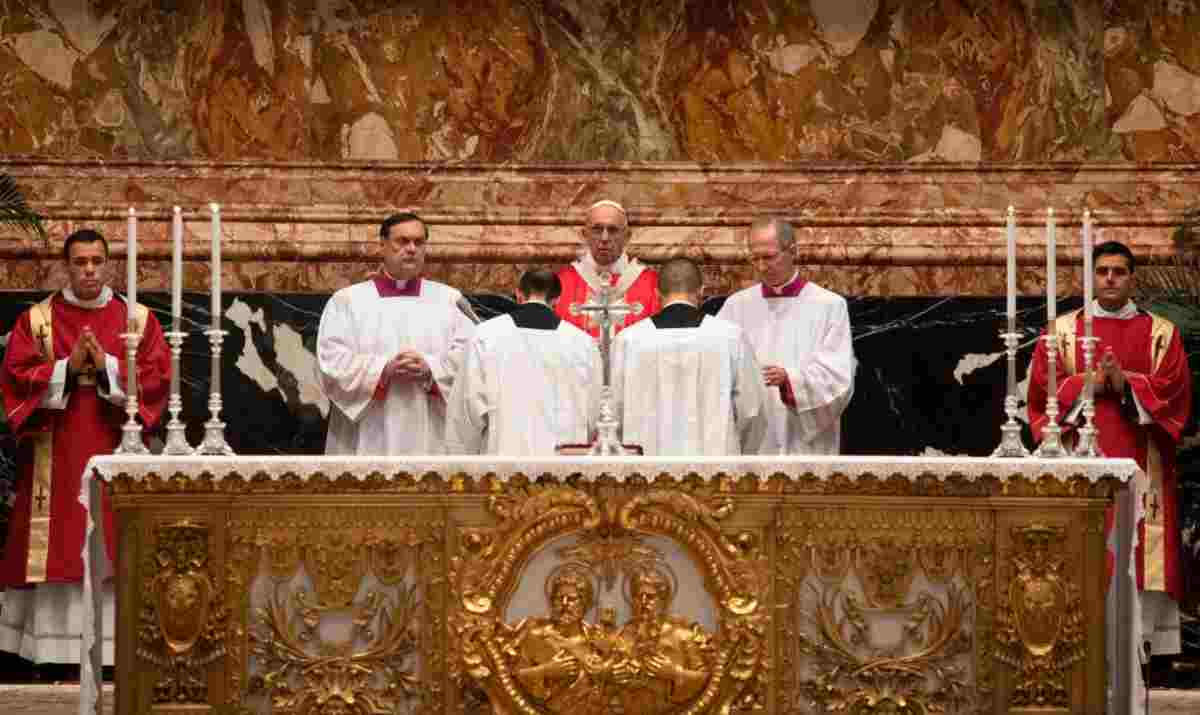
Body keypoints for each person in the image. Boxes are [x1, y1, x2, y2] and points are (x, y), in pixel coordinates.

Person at [0, 228, 170, 668]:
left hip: (114, 447)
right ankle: (53, 651)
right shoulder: (37, 321)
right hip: (54, 452)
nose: (89, 270)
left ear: (109, 264)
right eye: (80, 262)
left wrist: (109, 367)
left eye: (97, 261)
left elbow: (158, 379)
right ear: (66, 266)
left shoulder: (137, 320)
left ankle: (114, 650)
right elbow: (15, 376)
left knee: (110, 538)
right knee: (61, 536)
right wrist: (66, 369)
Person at [1028, 241, 1192, 663]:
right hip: (1076, 468)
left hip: (1143, 467)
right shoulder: (1060, 332)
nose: (1111, 279)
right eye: (1103, 271)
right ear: (1092, 277)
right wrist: (1088, 384)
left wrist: (1125, 384)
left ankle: (1135, 672)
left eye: (1120, 271)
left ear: (1132, 278)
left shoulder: (1160, 333)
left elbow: (1176, 396)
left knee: (1135, 564)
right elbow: (1038, 394)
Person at [316, 212, 473, 455]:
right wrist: (383, 370)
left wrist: (431, 368)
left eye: (419, 242)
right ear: (382, 246)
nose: (411, 249)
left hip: (432, 432)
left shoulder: (450, 300)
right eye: (402, 241)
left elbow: (471, 360)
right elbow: (331, 363)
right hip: (369, 430)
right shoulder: (347, 301)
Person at [717, 218, 855, 455]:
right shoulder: (735, 306)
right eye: (755, 258)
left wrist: (790, 382)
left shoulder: (829, 305)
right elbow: (716, 366)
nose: (761, 266)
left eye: (769, 257)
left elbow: (838, 377)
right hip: (753, 440)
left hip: (805, 441)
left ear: (793, 251)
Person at [611, 258, 766, 456]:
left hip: (647, 465)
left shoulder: (629, 339)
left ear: (657, 293)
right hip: (715, 464)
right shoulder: (729, 336)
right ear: (701, 291)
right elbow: (751, 409)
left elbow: (613, 410)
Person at [446, 269, 601, 455]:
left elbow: (466, 410)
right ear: (556, 300)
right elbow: (593, 415)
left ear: (518, 294)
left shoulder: (486, 335)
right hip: (564, 467)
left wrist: (462, 459)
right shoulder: (583, 343)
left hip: (505, 463)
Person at [612, 567, 712, 713]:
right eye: (639, 597)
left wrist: (674, 673)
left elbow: (704, 678)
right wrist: (614, 674)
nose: (644, 602)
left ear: (663, 601)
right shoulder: (623, 635)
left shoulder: (682, 636)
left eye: (650, 596)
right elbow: (607, 675)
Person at [555, 200, 660, 339]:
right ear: (584, 234)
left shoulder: (651, 284)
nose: (604, 238)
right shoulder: (562, 283)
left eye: (613, 230)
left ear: (627, 236)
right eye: (597, 229)